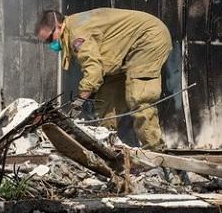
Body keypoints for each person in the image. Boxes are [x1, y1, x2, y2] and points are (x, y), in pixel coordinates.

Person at [35, 8, 172, 151]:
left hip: (149, 38)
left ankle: (155, 150)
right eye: (47, 43)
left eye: (50, 39)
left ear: (58, 26)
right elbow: (100, 68)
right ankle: (107, 145)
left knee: (139, 96)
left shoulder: (77, 35)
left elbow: (93, 72)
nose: (51, 45)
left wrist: (78, 103)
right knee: (106, 98)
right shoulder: (73, 27)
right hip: (125, 53)